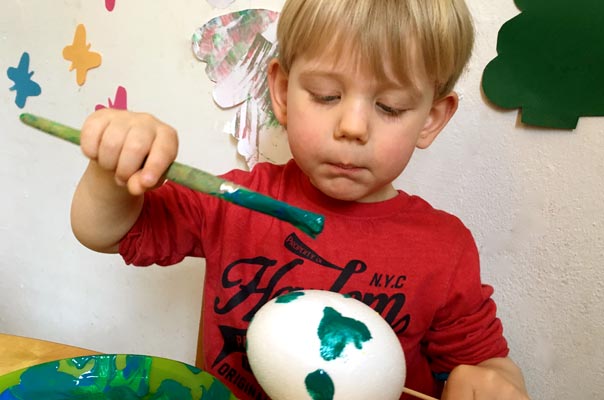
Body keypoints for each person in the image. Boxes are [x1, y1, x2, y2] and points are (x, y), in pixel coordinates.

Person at [70, 0, 530, 399]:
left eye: (389, 106)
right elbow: (105, 232)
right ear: (282, 93)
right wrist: (113, 169)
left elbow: (483, 365)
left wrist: (493, 379)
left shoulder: (443, 248)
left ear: (431, 118)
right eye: (326, 95)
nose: (353, 127)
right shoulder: (237, 200)